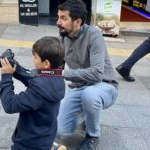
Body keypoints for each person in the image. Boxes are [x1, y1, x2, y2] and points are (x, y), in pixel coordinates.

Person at [56, 0, 118, 149]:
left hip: (104, 86)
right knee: (59, 130)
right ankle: (88, 113)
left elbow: (97, 74)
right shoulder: (63, 38)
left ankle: (93, 135)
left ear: (77, 21)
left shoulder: (94, 34)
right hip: (78, 88)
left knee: (90, 95)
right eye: (58, 17)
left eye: (64, 18)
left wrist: (65, 73)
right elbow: (56, 71)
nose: (58, 22)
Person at [0, 36, 65, 150]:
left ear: (46, 64)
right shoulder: (57, 77)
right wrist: (16, 70)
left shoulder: (38, 91)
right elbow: (34, 80)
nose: (32, 60)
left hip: (29, 144)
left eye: (35, 57)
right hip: (46, 136)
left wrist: (6, 77)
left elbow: (9, 105)